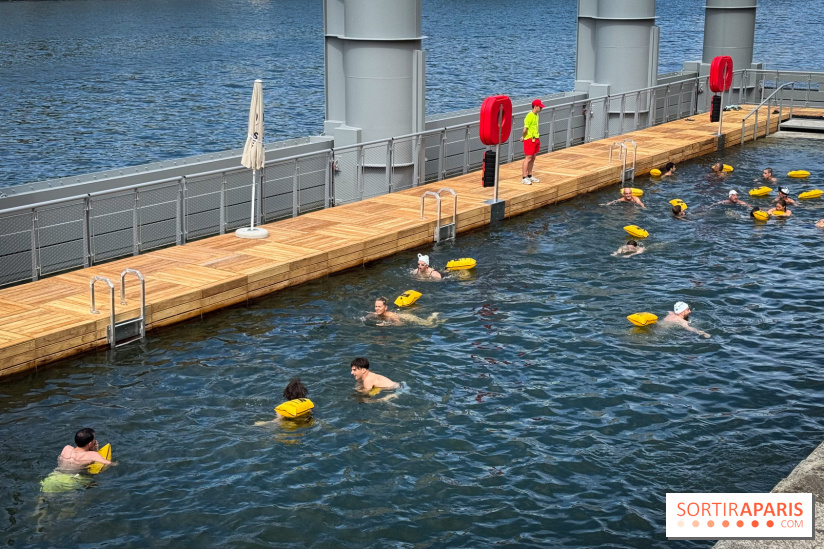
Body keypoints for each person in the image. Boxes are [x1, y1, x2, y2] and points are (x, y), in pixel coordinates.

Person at [520, 99, 545, 185]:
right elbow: (525, 129)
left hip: (536, 138)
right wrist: (523, 137)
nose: (541, 109)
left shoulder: (536, 115)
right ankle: (524, 177)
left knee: (533, 157)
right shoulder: (529, 116)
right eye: (540, 107)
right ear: (535, 107)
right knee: (528, 157)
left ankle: (530, 175)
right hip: (529, 139)